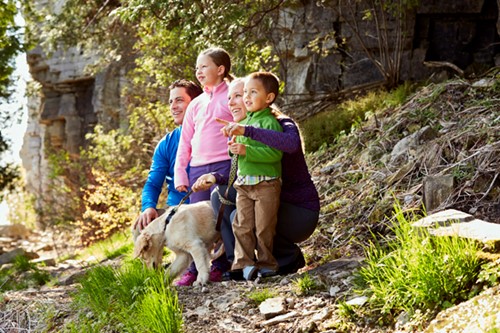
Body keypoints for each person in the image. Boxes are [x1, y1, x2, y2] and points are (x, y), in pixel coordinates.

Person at [193, 76, 320, 279]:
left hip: (299, 209)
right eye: (232, 97)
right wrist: (215, 176)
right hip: (264, 192)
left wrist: (247, 131)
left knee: (242, 217)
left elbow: (290, 144)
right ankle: (239, 264)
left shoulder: (280, 123)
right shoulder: (245, 127)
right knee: (220, 196)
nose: (234, 102)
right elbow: (245, 171)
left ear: (266, 97)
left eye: (241, 95)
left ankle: (287, 258)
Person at [173, 47, 235, 286]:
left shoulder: (232, 93)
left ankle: (222, 264)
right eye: (197, 67)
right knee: (196, 223)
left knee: (222, 217)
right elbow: (185, 142)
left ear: (220, 70)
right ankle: (194, 268)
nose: (199, 71)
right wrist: (181, 173)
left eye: (204, 66)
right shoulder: (196, 103)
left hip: (224, 164)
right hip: (197, 168)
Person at [228, 72, 283, 280]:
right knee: (241, 225)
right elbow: (239, 153)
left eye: (253, 92)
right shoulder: (245, 122)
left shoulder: (269, 123)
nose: (247, 97)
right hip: (244, 184)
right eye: (244, 93)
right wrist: (233, 149)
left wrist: (246, 151)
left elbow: (275, 154)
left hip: (265, 184)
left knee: (264, 226)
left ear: (268, 98)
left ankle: (267, 263)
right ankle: (244, 263)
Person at [134, 79, 203, 231]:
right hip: (176, 210)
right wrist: (148, 207)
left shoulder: (211, 134)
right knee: (140, 226)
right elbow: (152, 183)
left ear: (196, 103)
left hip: (205, 209)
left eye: (179, 100)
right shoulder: (166, 144)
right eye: (171, 101)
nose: (173, 107)